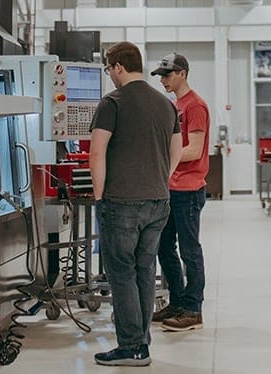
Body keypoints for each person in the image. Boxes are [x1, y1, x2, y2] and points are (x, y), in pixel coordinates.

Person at [89, 42, 182, 367]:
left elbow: (97, 152)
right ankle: (141, 343)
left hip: (122, 202)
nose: (109, 75)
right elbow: (176, 151)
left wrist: (100, 197)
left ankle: (131, 346)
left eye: (108, 69)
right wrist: (160, 180)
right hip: (158, 201)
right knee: (145, 271)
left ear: (117, 66)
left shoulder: (112, 102)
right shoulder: (166, 104)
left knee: (122, 274)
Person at [149, 53, 210, 332]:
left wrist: (162, 156)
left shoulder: (195, 106)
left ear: (182, 73)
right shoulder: (176, 105)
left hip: (188, 190)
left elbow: (195, 150)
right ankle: (177, 301)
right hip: (171, 188)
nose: (163, 80)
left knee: (189, 250)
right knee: (164, 247)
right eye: (161, 75)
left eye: (168, 74)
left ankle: (193, 309)